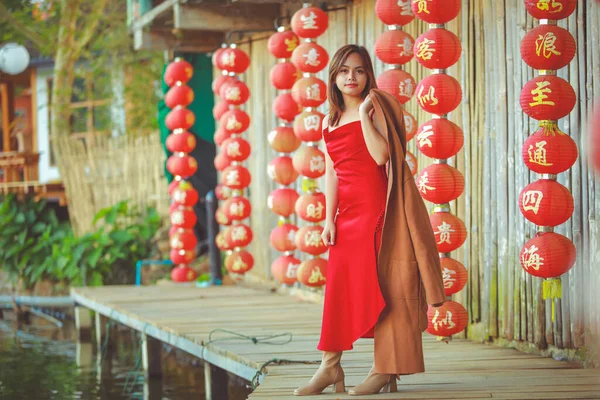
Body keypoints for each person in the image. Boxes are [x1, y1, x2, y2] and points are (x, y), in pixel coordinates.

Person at [293, 44, 447, 396]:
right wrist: (329, 218)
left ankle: (385, 369)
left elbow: (381, 156)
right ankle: (330, 367)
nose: (352, 77)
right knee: (339, 288)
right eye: (345, 71)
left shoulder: (374, 109)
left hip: (379, 211)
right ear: (333, 76)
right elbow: (331, 171)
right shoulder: (327, 119)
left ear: (368, 75)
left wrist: (363, 115)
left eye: (359, 70)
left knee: (388, 287)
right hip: (346, 215)